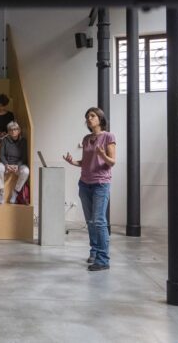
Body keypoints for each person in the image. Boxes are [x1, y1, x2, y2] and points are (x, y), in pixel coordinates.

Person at [63, 107, 116, 272]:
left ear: (100, 119)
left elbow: (112, 162)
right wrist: (72, 162)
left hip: (101, 184)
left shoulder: (108, 136)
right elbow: (85, 162)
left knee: (99, 221)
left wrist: (102, 155)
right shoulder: (86, 139)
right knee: (91, 221)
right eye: (87, 117)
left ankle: (103, 259)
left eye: (92, 116)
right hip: (84, 184)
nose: (89, 119)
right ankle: (94, 251)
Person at [0, 121, 29, 205]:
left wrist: (18, 166)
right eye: (11, 130)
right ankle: (1, 192)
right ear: (8, 132)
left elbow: (24, 157)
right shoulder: (4, 140)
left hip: (17, 166)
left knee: (26, 171)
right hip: (6, 165)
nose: (13, 131)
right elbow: (1, 155)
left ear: (19, 130)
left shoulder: (23, 141)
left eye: (15, 129)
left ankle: (15, 193)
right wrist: (6, 165)